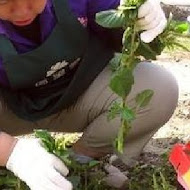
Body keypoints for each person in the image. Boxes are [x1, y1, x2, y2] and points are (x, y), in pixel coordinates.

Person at [0, 0, 178, 189]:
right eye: (3, 2)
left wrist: (139, 18)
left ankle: (81, 159)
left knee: (159, 88)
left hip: (80, 94)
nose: (21, 12)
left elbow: (118, 26)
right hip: (10, 111)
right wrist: (12, 153)